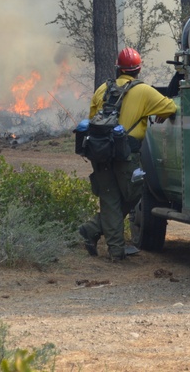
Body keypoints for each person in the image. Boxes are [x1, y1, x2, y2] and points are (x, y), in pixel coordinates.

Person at [78, 47, 178, 261]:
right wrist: (156, 112)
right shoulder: (144, 91)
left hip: (101, 153)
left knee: (110, 198)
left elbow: (93, 118)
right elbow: (171, 108)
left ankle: (93, 231)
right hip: (127, 155)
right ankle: (113, 249)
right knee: (134, 194)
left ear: (118, 68)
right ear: (138, 69)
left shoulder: (102, 89)